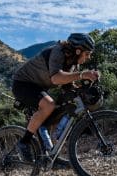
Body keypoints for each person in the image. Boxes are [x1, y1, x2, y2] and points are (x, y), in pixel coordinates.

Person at [12, 33, 99, 163]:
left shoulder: (73, 64)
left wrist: (83, 88)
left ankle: (51, 155)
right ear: (78, 50)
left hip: (39, 88)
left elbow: (68, 86)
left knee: (59, 110)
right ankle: (23, 143)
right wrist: (82, 75)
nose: (88, 57)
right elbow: (56, 77)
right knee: (49, 105)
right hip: (22, 83)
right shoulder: (57, 51)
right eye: (87, 54)